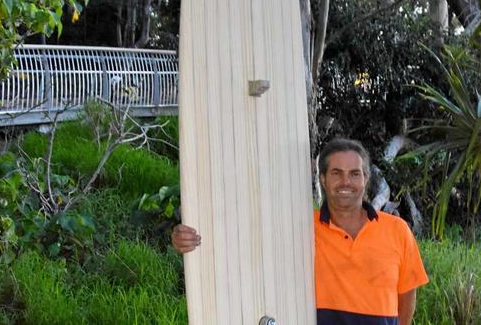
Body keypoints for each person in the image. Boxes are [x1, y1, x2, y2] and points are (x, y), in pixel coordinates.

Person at [171, 138, 429, 325]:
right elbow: (241, 237)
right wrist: (188, 237)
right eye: (336, 173)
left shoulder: (397, 230)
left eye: (354, 174)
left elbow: (407, 295)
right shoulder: (300, 227)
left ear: (366, 179)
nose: (345, 182)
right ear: (323, 180)